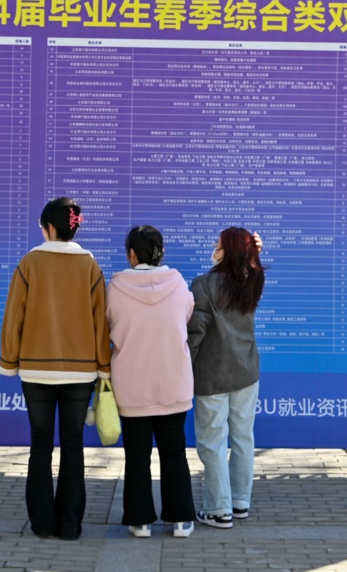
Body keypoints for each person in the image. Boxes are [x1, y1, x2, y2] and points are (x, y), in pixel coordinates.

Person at [0, 197, 111, 540]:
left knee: (41, 444)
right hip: (81, 371)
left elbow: (13, 316)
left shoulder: (30, 262)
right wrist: (103, 367)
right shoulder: (89, 265)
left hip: (36, 369)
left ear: (49, 227)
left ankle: (43, 523)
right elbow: (101, 323)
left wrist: (9, 361)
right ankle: (70, 525)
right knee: (73, 445)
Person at [106, 225, 197, 539]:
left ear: (132, 254)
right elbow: (186, 314)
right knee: (174, 453)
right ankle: (181, 520)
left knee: (137, 456)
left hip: (132, 387)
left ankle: (140, 520)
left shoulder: (115, 288)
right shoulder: (178, 283)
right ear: (161, 252)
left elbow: (106, 322)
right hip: (173, 383)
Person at [187, 226, 265, 529]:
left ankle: (218, 509)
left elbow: (195, 333)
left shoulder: (203, 285)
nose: (214, 249)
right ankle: (239, 502)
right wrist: (255, 253)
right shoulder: (252, 281)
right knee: (244, 437)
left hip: (212, 373)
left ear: (227, 251)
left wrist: (184, 366)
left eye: (218, 245)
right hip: (247, 370)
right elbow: (253, 268)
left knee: (212, 441)